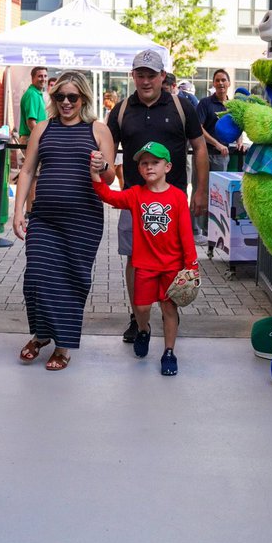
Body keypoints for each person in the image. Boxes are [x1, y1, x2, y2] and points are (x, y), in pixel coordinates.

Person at [12, 71, 114, 370]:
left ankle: (63, 346)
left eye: (72, 97)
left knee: (72, 281)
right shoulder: (43, 128)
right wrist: (18, 211)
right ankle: (42, 334)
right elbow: (28, 171)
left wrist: (103, 165)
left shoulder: (97, 129)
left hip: (84, 220)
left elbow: (110, 177)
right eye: (60, 97)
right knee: (37, 277)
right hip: (44, 217)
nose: (66, 102)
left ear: (83, 97)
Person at [107, 49, 207, 344]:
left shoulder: (181, 106)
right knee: (134, 261)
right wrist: (105, 177)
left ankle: (169, 309)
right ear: (133, 76)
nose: (146, 80)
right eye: (141, 74)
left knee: (173, 260)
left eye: (152, 75)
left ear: (163, 77)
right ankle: (138, 319)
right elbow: (109, 151)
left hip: (173, 201)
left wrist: (199, 190)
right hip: (134, 201)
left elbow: (200, 148)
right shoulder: (122, 110)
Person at [91, 141, 198, 376]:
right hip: (144, 265)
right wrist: (95, 174)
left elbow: (186, 234)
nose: (149, 167)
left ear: (168, 167)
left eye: (155, 163)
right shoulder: (135, 195)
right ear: (139, 169)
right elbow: (109, 196)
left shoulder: (178, 197)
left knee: (169, 309)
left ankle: (169, 352)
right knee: (141, 306)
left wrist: (192, 265)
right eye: (144, 163)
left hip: (171, 266)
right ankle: (143, 329)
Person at [193, 69, 235, 240]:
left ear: (229, 83)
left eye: (223, 80)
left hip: (222, 157)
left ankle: (214, 232)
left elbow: (237, 127)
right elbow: (199, 128)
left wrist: (239, 142)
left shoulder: (232, 106)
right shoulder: (205, 103)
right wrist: (216, 144)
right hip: (204, 154)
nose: (220, 83)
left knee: (219, 195)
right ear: (213, 83)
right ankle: (195, 231)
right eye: (217, 80)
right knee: (199, 190)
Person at [19, 66, 48, 138]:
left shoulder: (37, 93)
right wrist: (41, 138)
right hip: (31, 138)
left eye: (45, 76)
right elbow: (31, 122)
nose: (43, 79)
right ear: (32, 78)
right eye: (40, 76)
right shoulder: (32, 94)